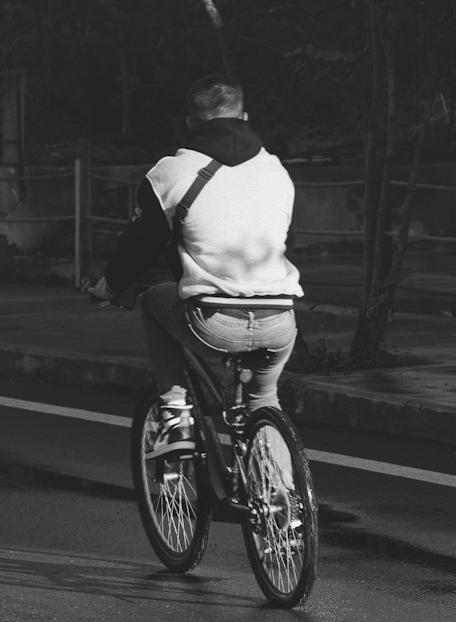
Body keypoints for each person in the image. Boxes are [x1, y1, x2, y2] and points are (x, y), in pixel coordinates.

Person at [89, 74, 301, 458]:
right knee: (264, 399)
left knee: (155, 301)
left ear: (190, 121)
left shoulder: (171, 172)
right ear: (245, 117)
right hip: (280, 319)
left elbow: (140, 244)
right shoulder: (277, 170)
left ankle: (174, 413)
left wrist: (107, 286)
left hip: (213, 319)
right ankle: (283, 506)